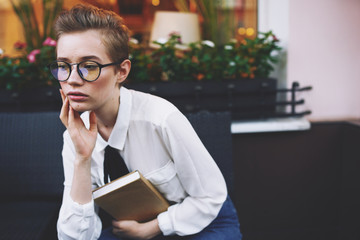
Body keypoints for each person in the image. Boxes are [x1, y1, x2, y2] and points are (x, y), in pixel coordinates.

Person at [51, 4, 242, 240]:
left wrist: (152, 228)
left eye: (89, 67)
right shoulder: (74, 135)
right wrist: (82, 159)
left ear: (122, 71)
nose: (71, 80)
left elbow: (210, 198)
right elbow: (74, 237)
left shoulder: (160, 118)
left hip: (202, 220)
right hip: (131, 227)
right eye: (63, 66)